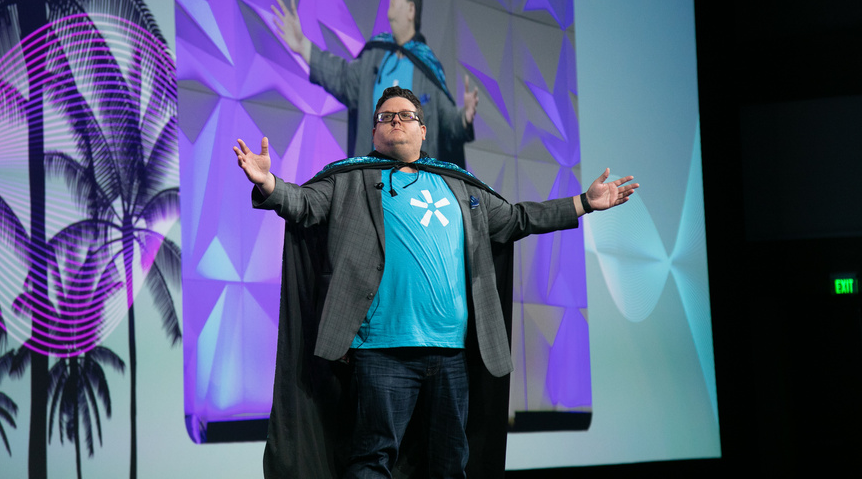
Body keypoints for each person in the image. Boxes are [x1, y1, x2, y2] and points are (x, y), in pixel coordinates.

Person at [234, 87, 638, 478]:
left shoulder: (458, 185)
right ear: (374, 132)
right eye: (385, 117)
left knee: (449, 465)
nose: (396, 121)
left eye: (406, 116)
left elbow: (517, 218)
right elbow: (303, 205)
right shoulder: (349, 180)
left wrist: (584, 203)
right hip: (381, 351)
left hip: (450, 354)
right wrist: (268, 183)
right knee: (373, 461)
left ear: (422, 130)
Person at [273, 0, 479, 166]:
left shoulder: (427, 68)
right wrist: (303, 46)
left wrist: (465, 117)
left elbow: (448, 125)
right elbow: (342, 77)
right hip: (371, 183)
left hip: (415, 185)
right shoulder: (375, 57)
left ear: (411, 9)